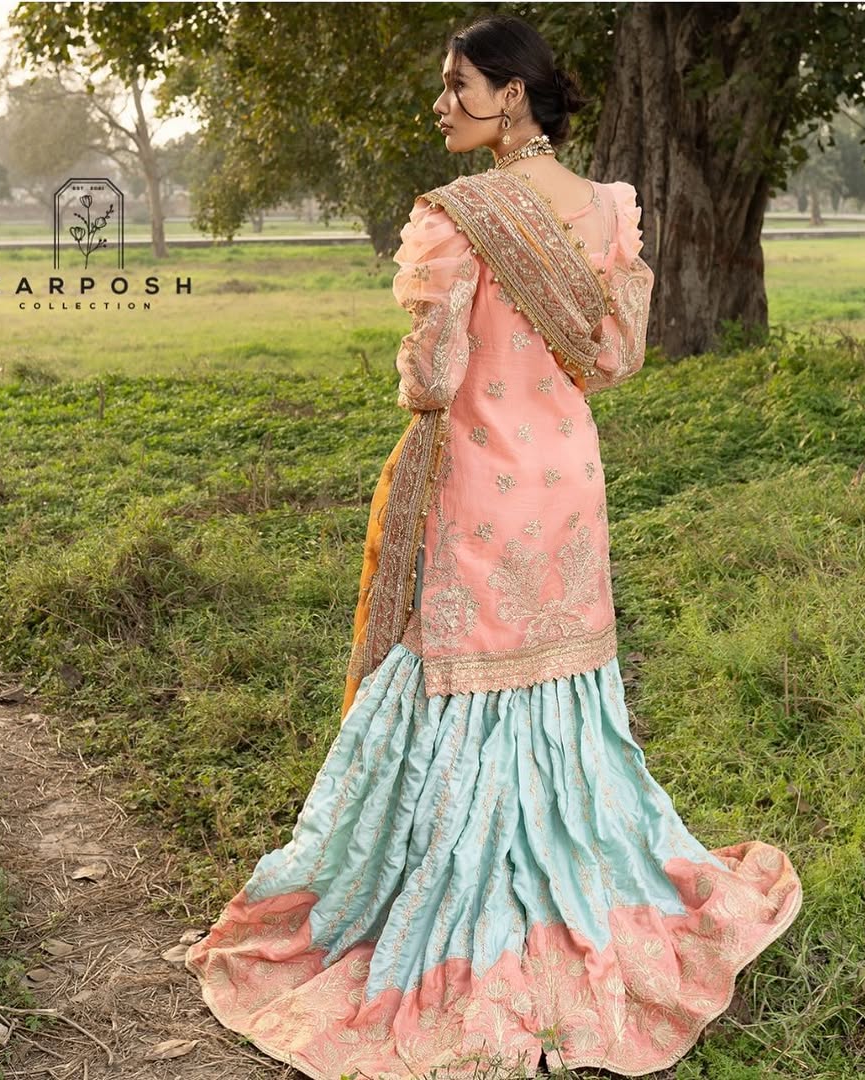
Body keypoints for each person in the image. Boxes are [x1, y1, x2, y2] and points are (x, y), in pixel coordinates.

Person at [185, 14, 802, 1080]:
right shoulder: (607, 208)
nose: (441, 104)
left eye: (457, 85)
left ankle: (450, 902)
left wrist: (419, 377)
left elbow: (432, 376)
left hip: (477, 484)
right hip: (564, 482)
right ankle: (578, 883)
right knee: (558, 685)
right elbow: (614, 360)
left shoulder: (457, 216)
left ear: (510, 94)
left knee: (460, 680)